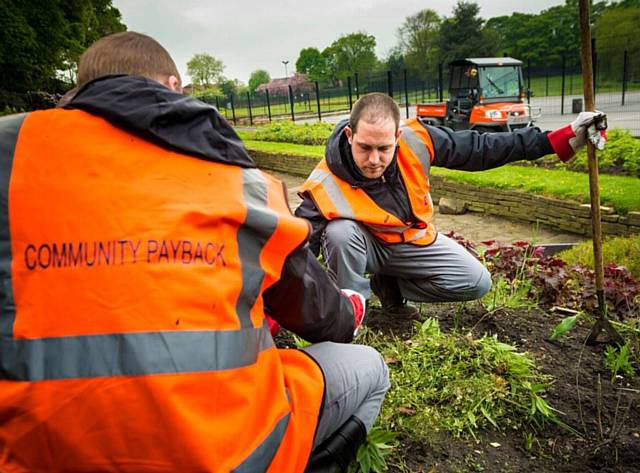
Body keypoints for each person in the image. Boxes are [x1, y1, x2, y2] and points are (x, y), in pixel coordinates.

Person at [0, 32, 389, 473]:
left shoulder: (11, 152)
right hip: (223, 454)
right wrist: (349, 308)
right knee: (369, 368)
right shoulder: (238, 180)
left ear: (82, 87)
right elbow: (322, 316)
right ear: (173, 88)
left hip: (39, 456)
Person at [295, 92, 606, 316]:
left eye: (383, 148)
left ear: (398, 137)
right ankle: (350, 318)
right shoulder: (325, 182)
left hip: (411, 244)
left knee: (476, 282)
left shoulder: (417, 141)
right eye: (364, 147)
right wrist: (279, 305)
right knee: (339, 232)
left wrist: (558, 140)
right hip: (362, 248)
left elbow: (480, 148)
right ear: (350, 135)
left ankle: (391, 287)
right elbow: (295, 250)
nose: (374, 160)